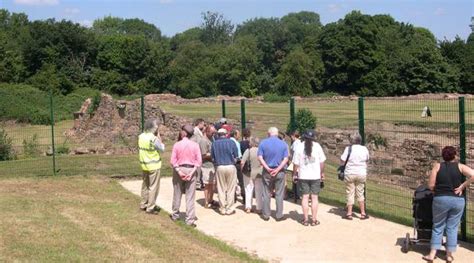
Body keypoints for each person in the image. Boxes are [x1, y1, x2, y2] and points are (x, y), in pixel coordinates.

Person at [422, 146, 474, 262]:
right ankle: (449, 255)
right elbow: (473, 174)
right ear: (455, 156)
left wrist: (438, 191)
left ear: (443, 156)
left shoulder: (437, 166)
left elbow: (430, 185)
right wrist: (462, 186)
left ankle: (432, 254)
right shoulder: (460, 166)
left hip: (441, 199)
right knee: (452, 227)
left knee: (438, 226)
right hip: (458, 200)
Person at [170, 124, 202, 227]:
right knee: (190, 196)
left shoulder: (177, 144)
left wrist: (179, 172)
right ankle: (190, 220)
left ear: (184, 133)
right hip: (191, 169)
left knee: (177, 192)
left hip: (179, 168)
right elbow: (198, 161)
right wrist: (191, 173)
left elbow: (173, 161)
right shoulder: (195, 145)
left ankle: (175, 215)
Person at [292, 130, 326, 226]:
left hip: (303, 176)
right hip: (315, 176)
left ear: (304, 137)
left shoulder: (299, 146)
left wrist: (295, 174)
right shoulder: (317, 146)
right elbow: (322, 162)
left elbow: (295, 163)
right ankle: (314, 219)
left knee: (305, 197)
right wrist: (322, 172)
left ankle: (306, 219)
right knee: (315, 197)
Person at [258, 127, 289, 221]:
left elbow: (260, 157)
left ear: (268, 133)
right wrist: (278, 169)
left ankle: (266, 214)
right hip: (280, 172)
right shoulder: (283, 144)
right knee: (279, 193)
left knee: (266, 193)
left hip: (267, 171)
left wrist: (267, 168)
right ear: (277, 133)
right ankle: (279, 215)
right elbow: (286, 159)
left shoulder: (263, 143)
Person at [138, 119, 165, 214]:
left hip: (144, 164)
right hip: (154, 165)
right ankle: (150, 207)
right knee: (153, 187)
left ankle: (143, 204)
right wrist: (158, 136)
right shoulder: (153, 139)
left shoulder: (141, 136)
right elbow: (162, 148)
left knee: (145, 185)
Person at [340, 132, 370, 220]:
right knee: (360, 192)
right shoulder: (364, 149)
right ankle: (363, 213)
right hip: (361, 173)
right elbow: (367, 159)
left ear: (352, 140)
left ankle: (349, 213)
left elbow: (342, 160)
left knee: (350, 192)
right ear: (360, 140)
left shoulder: (348, 149)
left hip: (350, 173)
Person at [211, 128, 239, 215]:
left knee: (221, 188)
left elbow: (213, 157)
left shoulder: (214, 143)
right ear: (226, 134)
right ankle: (230, 208)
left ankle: (222, 208)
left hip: (220, 166)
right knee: (231, 188)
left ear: (218, 135)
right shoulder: (231, 142)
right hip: (230, 165)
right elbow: (236, 156)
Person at [241, 137, 264, 213]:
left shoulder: (248, 151)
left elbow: (242, 162)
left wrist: (242, 170)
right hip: (259, 173)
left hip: (249, 173)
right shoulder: (261, 151)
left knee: (248, 189)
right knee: (259, 190)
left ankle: (248, 207)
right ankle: (259, 208)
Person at [200, 124, 218, 208]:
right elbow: (203, 155)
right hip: (206, 165)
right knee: (207, 184)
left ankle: (211, 199)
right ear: (207, 132)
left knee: (212, 184)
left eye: (214, 133)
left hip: (213, 165)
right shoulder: (203, 141)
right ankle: (206, 202)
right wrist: (213, 155)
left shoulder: (212, 139)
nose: (213, 134)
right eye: (212, 133)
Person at [191, 118, 206, 190]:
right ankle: (197, 183)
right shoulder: (195, 131)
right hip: (196, 152)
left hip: (198, 151)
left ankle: (199, 182)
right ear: (199, 124)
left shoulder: (198, 131)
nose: (204, 125)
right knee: (198, 168)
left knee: (199, 168)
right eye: (203, 124)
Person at [230, 129, 244, 202]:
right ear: (235, 135)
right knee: (241, 181)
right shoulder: (236, 143)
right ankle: (244, 197)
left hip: (230, 163)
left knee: (232, 181)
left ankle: (233, 197)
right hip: (237, 162)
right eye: (238, 134)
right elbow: (238, 155)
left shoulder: (228, 142)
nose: (239, 136)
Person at [289, 131, 302, 201]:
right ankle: (297, 192)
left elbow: (293, 153)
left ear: (294, 136)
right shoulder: (300, 142)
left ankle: (295, 193)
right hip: (299, 162)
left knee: (294, 177)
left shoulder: (295, 143)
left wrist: (290, 160)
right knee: (298, 177)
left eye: (291, 136)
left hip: (295, 162)